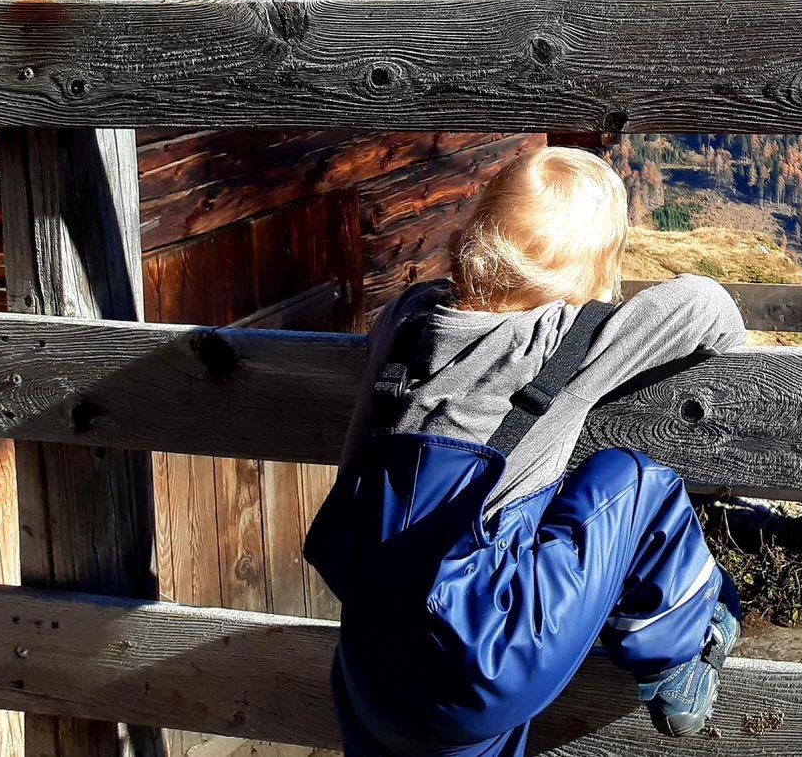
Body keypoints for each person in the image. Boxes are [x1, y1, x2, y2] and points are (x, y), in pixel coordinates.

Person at [304, 146, 747, 757]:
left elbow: (415, 307)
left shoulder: (406, 323)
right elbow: (706, 306)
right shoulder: (567, 341)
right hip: (489, 656)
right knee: (633, 481)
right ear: (597, 271)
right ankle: (682, 653)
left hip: (372, 667)